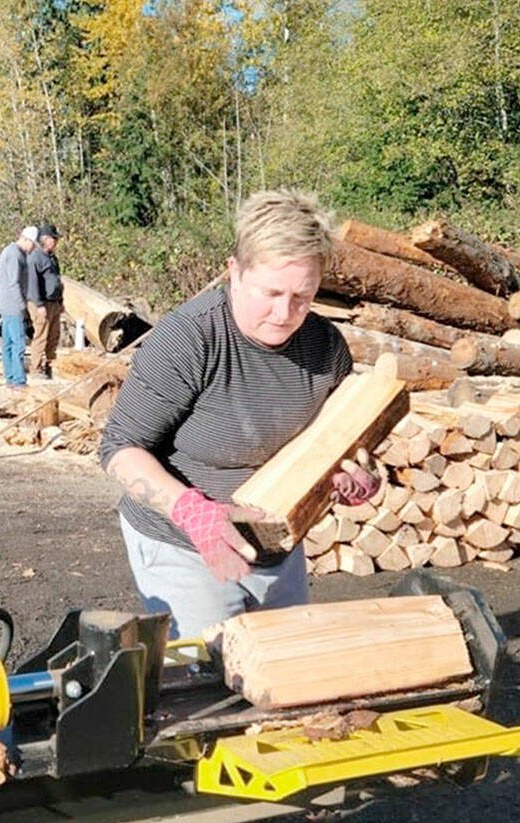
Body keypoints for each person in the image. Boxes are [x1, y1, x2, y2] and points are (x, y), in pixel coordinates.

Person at [99, 189, 380, 641]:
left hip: (276, 545)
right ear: (234, 271)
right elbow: (118, 450)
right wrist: (192, 513)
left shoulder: (325, 348)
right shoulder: (190, 339)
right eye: (269, 293)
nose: (285, 313)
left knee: (286, 670)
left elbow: (341, 440)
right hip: (182, 547)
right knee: (212, 681)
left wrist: (355, 475)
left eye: (302, 296)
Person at [0, 225, 38, 388]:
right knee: (18, 344)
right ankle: (18, 380)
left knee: (8, 343)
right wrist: (22, 307)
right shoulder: (15, 255)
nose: (33, 248)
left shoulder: (10, 251)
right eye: (33, 244)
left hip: (6, 304)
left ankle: (11, 377)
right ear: (26, 240)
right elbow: (14, 283)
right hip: (12, 305)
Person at [26, 223, 63, 379]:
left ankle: (50, 365)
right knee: (41, 335)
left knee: (54, 335)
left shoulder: (52, 258)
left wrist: (60, 302)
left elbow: (57, 279)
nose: (56, 242)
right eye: (53, 239)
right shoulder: (35, 257)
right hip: (41, 303)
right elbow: (32, 283)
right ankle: (35, 368)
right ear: (45, 239)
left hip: (54, 302)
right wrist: (39, 304)